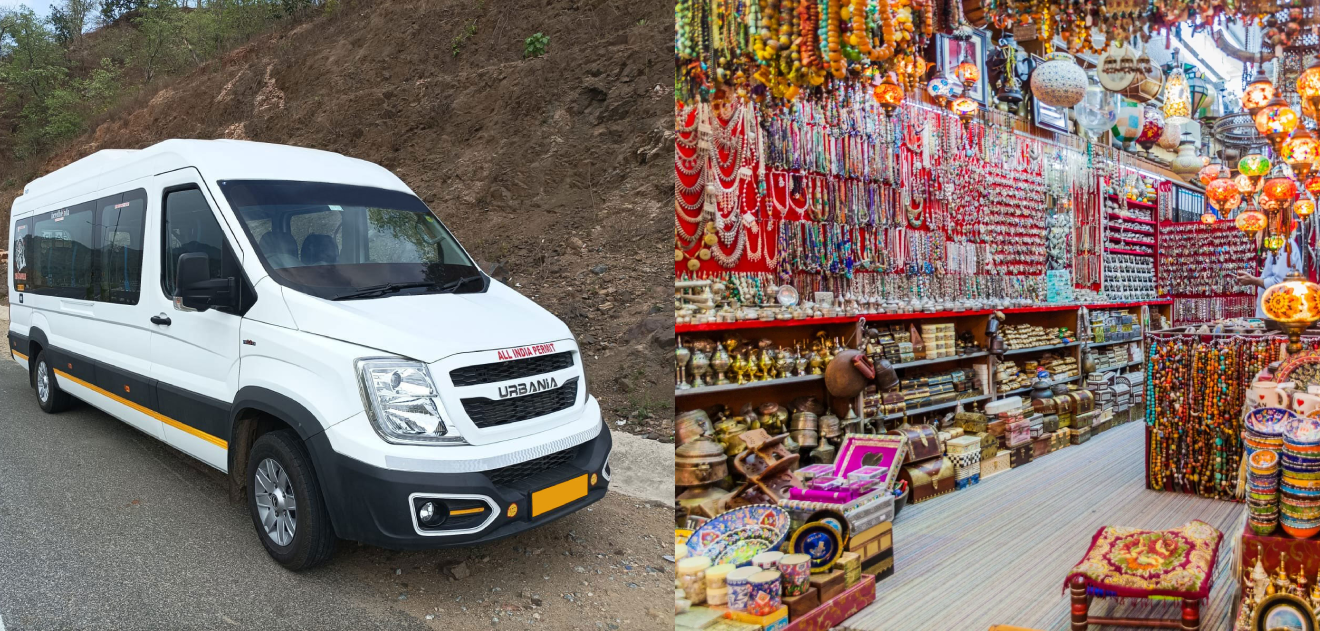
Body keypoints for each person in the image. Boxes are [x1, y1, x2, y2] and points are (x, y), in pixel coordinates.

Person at [1236, 237, 1304, 319]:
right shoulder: (1277, 244)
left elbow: (1279, 283)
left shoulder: (1282, 245)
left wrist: (1253, 280)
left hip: (1278, 315)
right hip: (1272, 314)